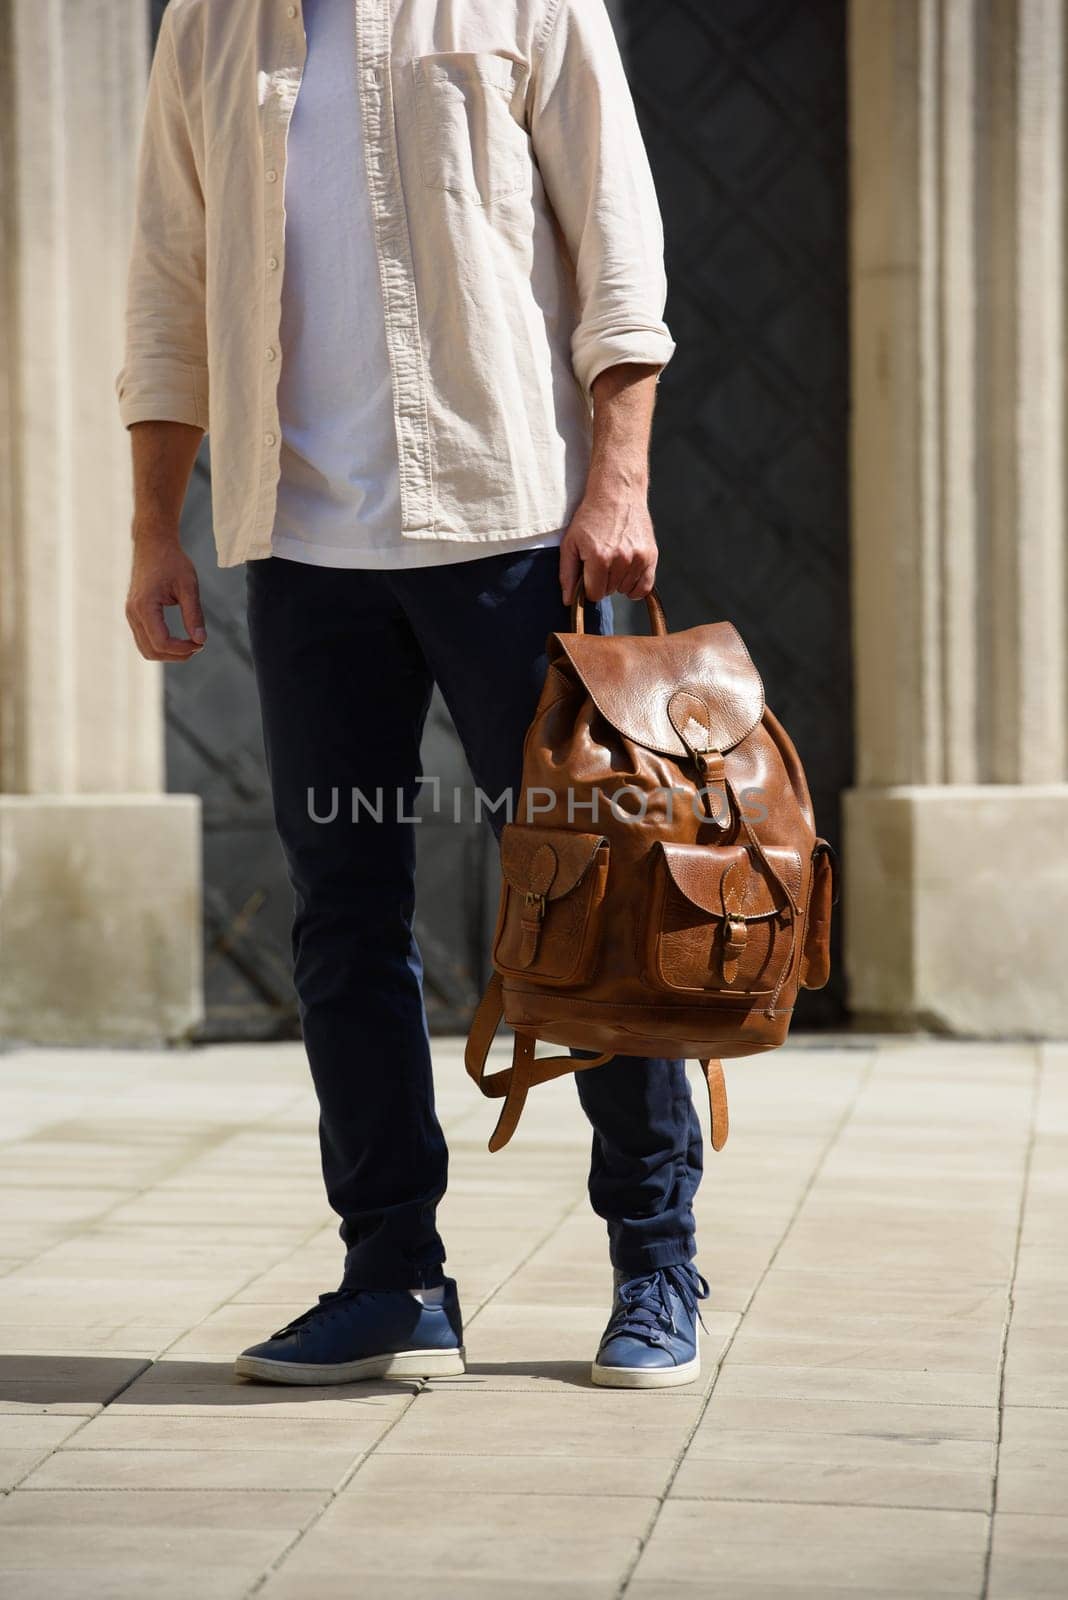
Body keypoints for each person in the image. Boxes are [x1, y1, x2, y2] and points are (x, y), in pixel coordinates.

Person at [119, 0, 707, 1390]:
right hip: (307, 559)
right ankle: (393, 1275)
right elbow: (167, 278)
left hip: (511, 531)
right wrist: (157, 526)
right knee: (344, 921)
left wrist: (618, 481)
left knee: (599, 896)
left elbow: (620, 245)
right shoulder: (207, 26)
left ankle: (656, 1258)